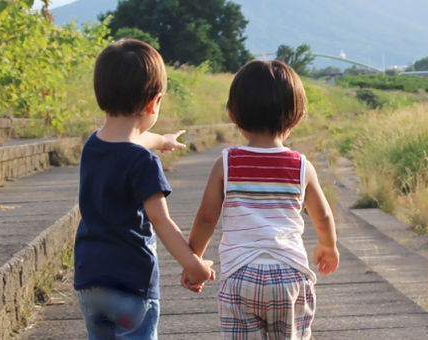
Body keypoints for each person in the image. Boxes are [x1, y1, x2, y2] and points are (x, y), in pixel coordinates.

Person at [181, 60, 340, 339]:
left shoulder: (226, 163)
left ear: (232, 114)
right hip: (290, 276)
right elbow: (323, 215)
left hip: (241, 276)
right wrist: (328, 246)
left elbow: (207, 217)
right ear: (298, 117)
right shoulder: (301, 166)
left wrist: (193, 258)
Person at [74, 38, 215, 340]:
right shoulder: (143, 162)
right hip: (131, 284)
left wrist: (162, 139)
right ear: (153, 102)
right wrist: (195, 266)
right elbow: (161, 222)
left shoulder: (92, 144)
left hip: (90, 281)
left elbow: (134, 139)